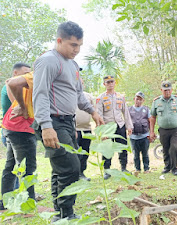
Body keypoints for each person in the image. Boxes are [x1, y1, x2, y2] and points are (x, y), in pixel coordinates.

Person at [32, 21, 103, 221]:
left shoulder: (72, 65)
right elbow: (41, 94)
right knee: (72, 167)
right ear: (59, 40)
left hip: (67, 122)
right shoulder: (48, 61)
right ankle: (66, 213)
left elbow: (78, 94)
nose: (77, 50)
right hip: (52, 122)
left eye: (80, 45)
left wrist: (92, 112)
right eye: (73, 45)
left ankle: (59, 213)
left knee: (61, 168)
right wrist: (46, 126)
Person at [0, 69, 35, 210]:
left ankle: (5, 202)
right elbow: (11, 83)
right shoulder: (37, 73)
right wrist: (21, 105)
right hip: (21, 127)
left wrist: (18, 104)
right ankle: (28, 206)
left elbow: (9, 83)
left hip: (12, 126)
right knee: (26, 168)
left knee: (11, 166)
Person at [96, 75, 133, 179]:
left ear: (115, 83)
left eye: (112, 81)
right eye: (107, 82)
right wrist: (102, 132)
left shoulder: (120, 97)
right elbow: (99, 115)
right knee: (107, 149)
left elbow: (126, 112)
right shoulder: (101, 98)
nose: (110, 84)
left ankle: (124, 168)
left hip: (120, 125)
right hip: (107, 127)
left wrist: (129, 126)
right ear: (104, 84)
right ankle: (107, 171)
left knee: (122, 147)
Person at [149, 81, 177, 176]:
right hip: (163, 129)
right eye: (165, 90)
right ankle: (167, 166)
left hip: (176, 129)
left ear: (172, 90)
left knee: (175, 148)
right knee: (165, 148)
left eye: (169, 90)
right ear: (161, 90)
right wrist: (151, 131)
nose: (167, 92)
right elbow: (153, 117)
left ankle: (174, 167)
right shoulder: (156, 101)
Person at [1, 63, 31, 147]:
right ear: (15, 73)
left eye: (29, 74)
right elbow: (18, 106)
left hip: (17, 130)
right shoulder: (12, 87)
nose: (27, 77)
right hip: (15, 131)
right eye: (25, 74)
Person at [128, 91, 150, 173]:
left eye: (140, 99)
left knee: (145, 153)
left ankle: (146, 168)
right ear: (134, 99)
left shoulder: (146, 109)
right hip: (133, 136)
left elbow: (150, 121)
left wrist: (151, 133)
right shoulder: (129, 110)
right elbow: (126, 121)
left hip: (144, 136)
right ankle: (137, 169)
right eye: (137, 99)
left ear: (143, 101)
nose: (138, 101)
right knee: (136, 154)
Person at [75, 91, 95, 181]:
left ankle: (82, 172)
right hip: (75, 129)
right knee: (76, 152)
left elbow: (93, 110)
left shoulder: (88, 96)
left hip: (87, 128)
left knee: (85, 152)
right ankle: (76, 173)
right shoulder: (70, 93)